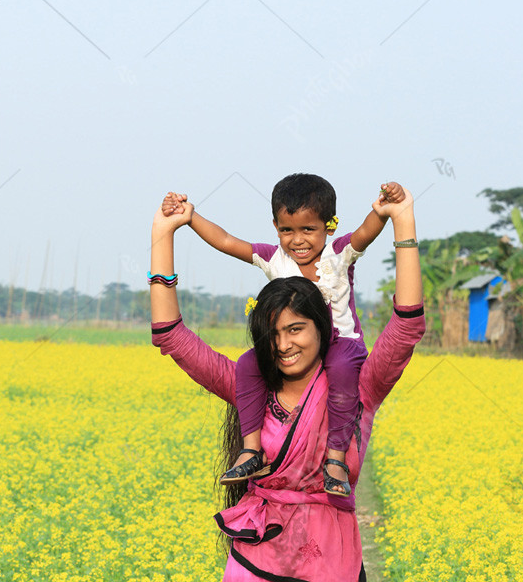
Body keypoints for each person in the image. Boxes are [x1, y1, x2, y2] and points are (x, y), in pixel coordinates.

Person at [148, 187, 424, 581]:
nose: (284, 345)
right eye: (272, 333)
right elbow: (171, 337)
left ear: (324, 326)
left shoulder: (359, 386)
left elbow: (407, 326)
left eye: (296, 329)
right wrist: (164, 233)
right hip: (254, 562)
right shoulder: (251, 387)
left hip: (332, 563)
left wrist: (403, 221)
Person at [162, 175, 405, 497]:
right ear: (275, 226)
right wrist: (190, 217)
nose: (297, 240)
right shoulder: (272, 258)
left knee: (342, 371)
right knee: (249, 362)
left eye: (308, 229)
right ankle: (251, 449)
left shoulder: (339, 252)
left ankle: (335, 457)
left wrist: (384, 209)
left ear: (329, 226)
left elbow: (366, 233)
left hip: (341, 344)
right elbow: (224, 240)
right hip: (290, 348)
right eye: (286, 230)